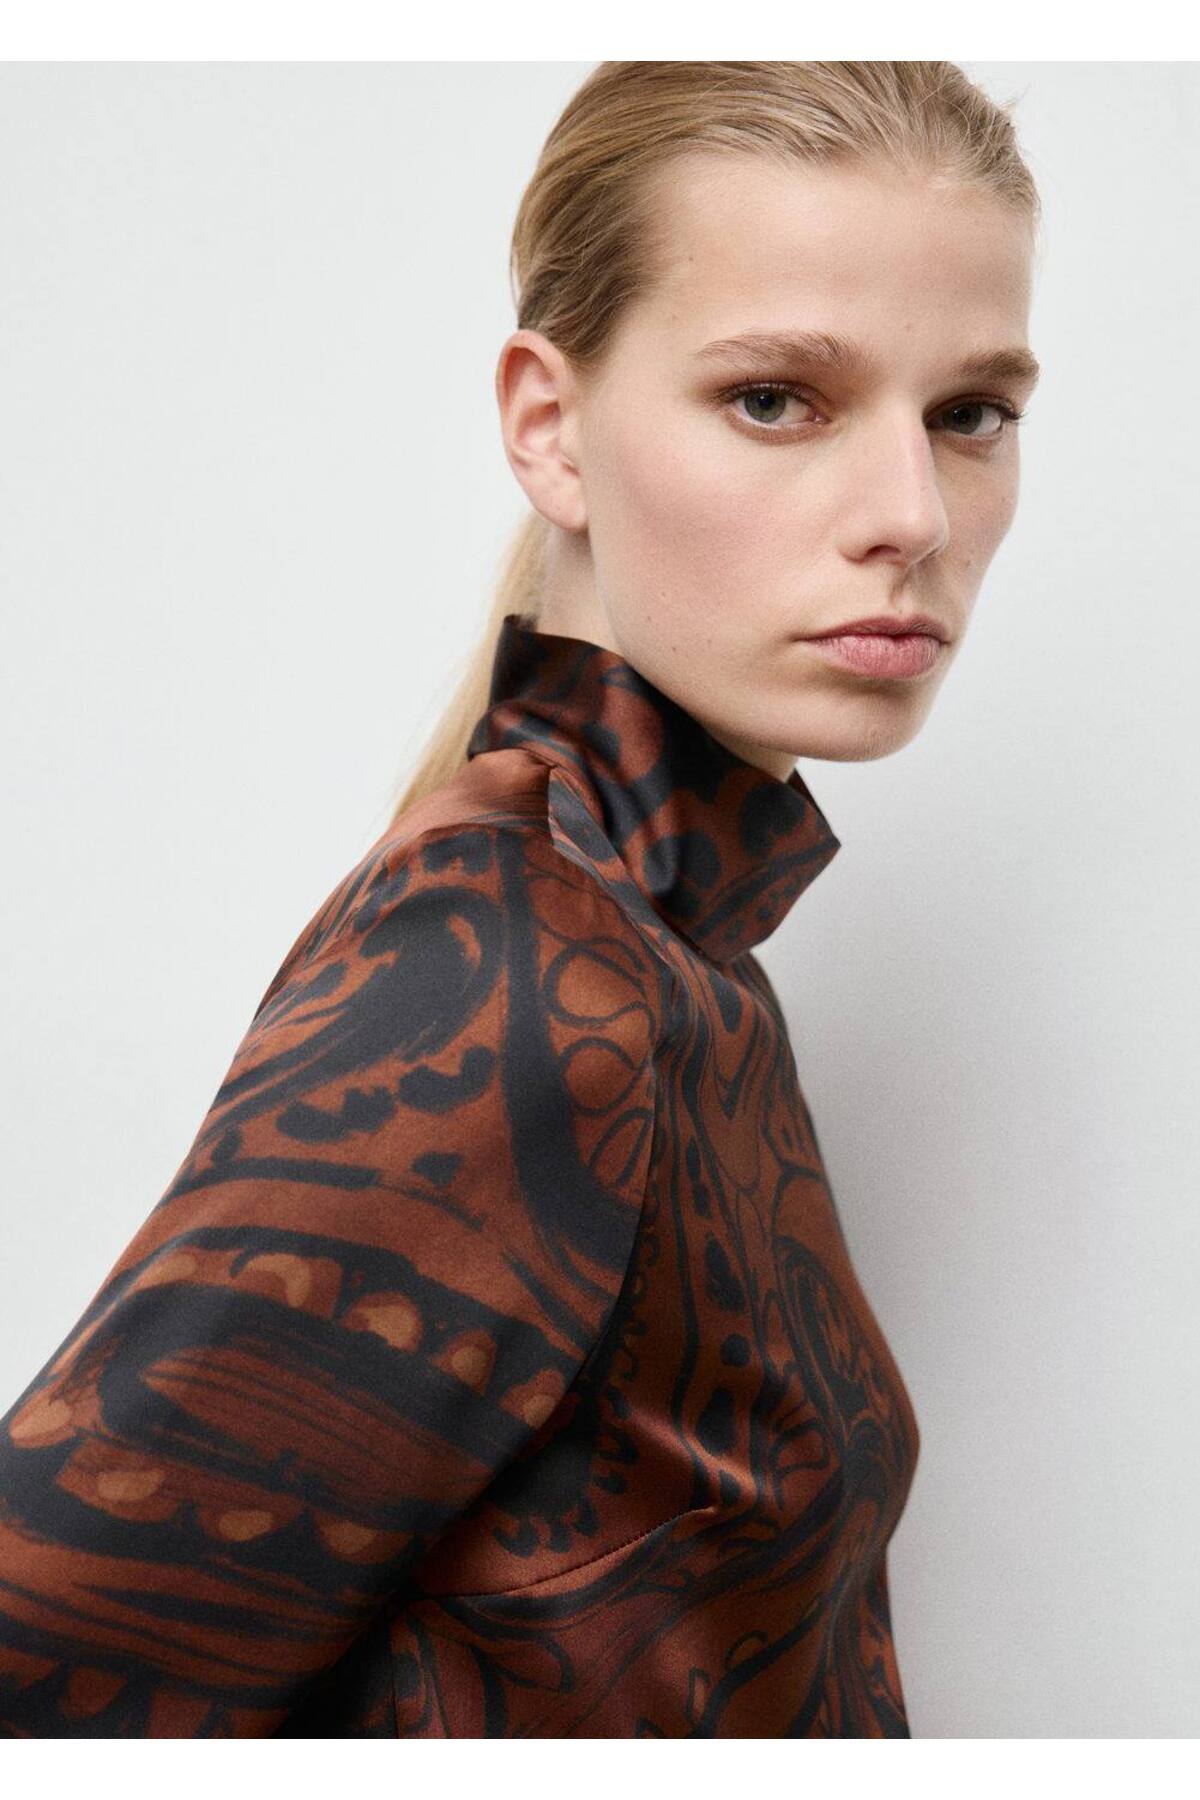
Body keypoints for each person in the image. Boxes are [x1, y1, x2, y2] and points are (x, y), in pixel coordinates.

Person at [0, 60, 1042, 1737]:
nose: (911, 517)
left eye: (971, 414)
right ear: (550, 428)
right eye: (776, 398)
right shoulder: (521, 977)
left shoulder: (667, 949)